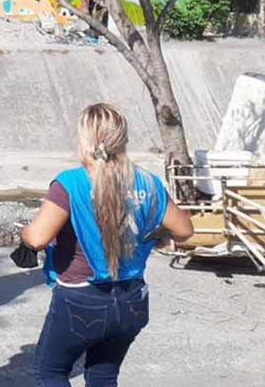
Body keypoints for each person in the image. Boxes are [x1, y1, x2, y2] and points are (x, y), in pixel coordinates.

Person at [20, 103, 194, 387]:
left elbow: (37, 238)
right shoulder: (148, 183)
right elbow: (185, 230)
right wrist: (153, 234)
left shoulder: (70, 184)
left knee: (49, 372)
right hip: (132, 300)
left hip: (80, 299)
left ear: (85, 140)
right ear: (122, 140)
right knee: (103, 377)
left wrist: (25, 234)